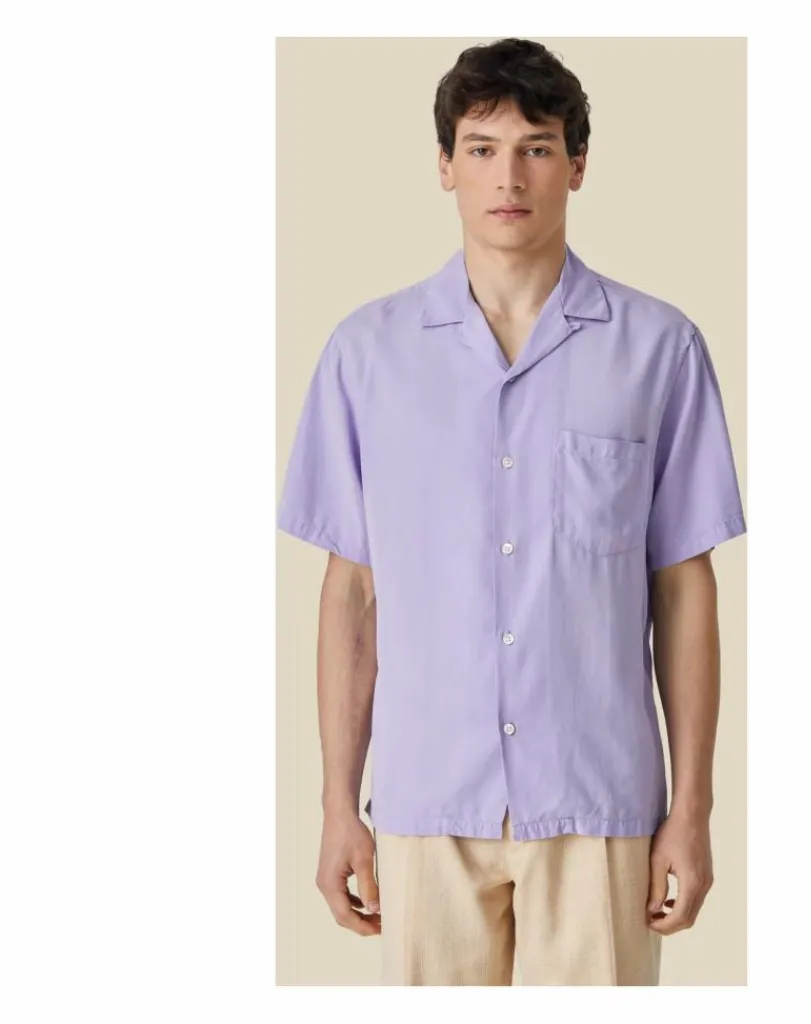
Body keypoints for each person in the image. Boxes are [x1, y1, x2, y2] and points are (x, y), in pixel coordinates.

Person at [276, 37, 747, 986]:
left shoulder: (660, 349)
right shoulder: (366, 355)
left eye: (537, 147)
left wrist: (692, 808)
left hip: (597, 798)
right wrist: (336, 805)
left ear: (578, 164)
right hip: (425, 799)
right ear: (443, 165)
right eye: (482, 148)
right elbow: (352, 597)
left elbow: (683, 589)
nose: (509, 176)